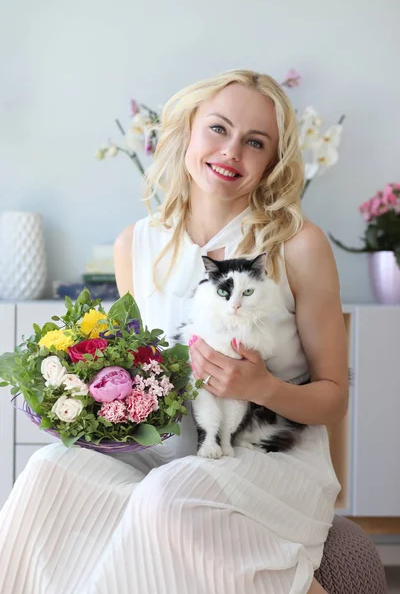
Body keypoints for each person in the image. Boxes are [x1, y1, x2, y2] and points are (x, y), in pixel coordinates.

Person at [0, 69, 348, 594]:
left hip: (267, 457)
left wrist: (262, 388)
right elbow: (149, 378)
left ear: (273, 161)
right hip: (167, 451)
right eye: (218, 128)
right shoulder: (134, 245)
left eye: (255, 142)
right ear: (187, 130)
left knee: (168, 496)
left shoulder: (297, 245)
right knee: (51, 470)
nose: (232, 151)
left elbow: (333, 399)